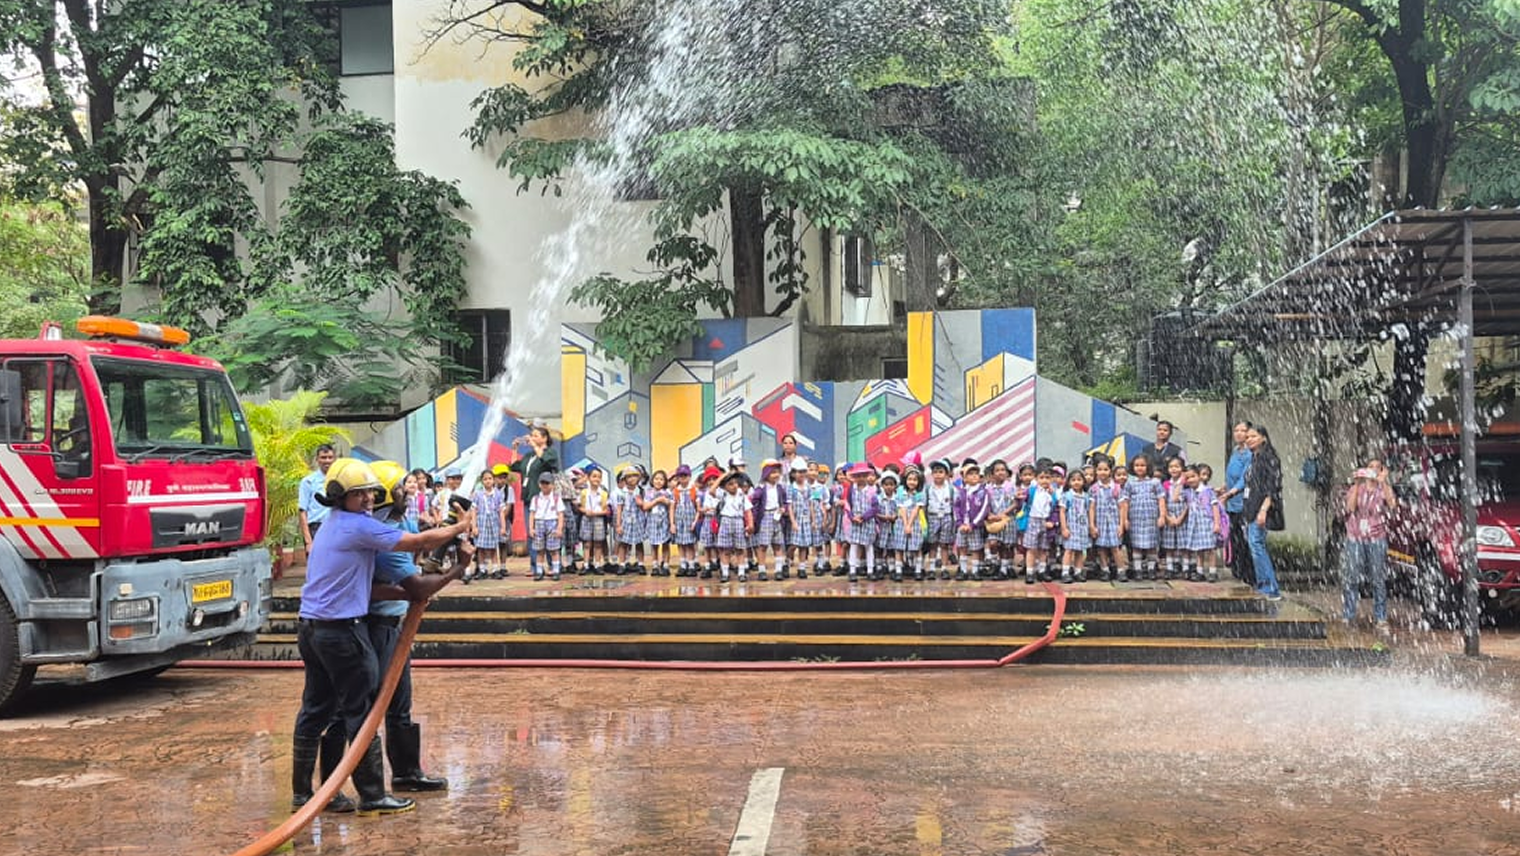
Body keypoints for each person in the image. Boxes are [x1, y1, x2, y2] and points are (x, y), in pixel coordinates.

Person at [290, 458, 470, 817]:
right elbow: (418, 540)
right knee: (360, 710)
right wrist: (460, 532)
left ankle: (304, 794)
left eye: (371, 492)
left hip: (312, 627)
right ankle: (372, 794)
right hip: (341, 632)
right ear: (341, 497)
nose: (368, 499)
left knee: (317, 708)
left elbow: (364, 587)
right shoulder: (359, 527)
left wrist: (408, 595)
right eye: (359, 494)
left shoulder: (332, 523)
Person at [1343, 461, 1393, 629]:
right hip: (1355, 537)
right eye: (1370, 466)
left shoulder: (1382, 490)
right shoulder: (1358, 488)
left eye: (1377, 467)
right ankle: (1349, 613)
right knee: (1352, 576)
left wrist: (1383, 482)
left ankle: (1380, 616)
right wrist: (1356, 484)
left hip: (1377, 537)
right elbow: (1350, 508)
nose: (1373, 470)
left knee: (1378, 577)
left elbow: (1392, 504)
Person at [1243, 423, 1284, 601]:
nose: (1249, 439)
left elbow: (1272, 488)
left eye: (1253, 436)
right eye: (1248, 437)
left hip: (1260, 509)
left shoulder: (1269, 458)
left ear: (1263, 438)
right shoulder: (1254, 458)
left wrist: (1263, 510)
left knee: (1257, 546)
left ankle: (1271, 587)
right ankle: (1263, 584)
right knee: (1255, 546)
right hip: (1251, 508)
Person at [510, 425, 559, 573]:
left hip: (544, 498)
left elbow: (546, 462)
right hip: (528, 497)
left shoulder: (550, 452)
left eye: (536, 435)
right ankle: (535, 566)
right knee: (532, 531)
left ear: (544, 438)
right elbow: (514, 466)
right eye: (531, 435)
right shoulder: (528, 456)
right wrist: (515, 449)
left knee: (548, 530)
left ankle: (552, 565)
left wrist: (536, 446)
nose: (532, 438)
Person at [1221, 421, 1256, 586]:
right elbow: (1233, 475)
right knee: (1234, 539)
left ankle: (1248, 575)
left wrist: (1232, 491)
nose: (1239, 434)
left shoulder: (1250, 454)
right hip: (1232, 503)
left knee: (1245, 540)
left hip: (1244, 502)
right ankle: (1237, 570)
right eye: (1236, 430)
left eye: (1243, 431)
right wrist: (1224, 488)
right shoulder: (1236, 451)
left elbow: (1245, 477)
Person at [1123, 455, 1164, 581]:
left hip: (1151, 518)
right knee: (1136, 545)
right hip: (1135, 518)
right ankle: (1138, 569)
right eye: (1137, 465)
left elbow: (1161, 499)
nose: (1139, 468)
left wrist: (1162, 516)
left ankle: (1151, 569)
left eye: (1142, 465)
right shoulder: (1130, 483)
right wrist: (1125, 519)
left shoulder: (1155, 482)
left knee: (1152, 545)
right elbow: (1125, 502)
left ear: (1148, 467)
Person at [1089, 457, 1128, 582]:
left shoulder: (1116, 488)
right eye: (1099, 469)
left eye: (1105, 469)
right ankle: (1104, 569)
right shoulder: (1094, 488)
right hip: (1100, 523)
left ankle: (1121, 570)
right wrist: (1092, 525)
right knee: (1101, 548)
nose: (1102, 472)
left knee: (1116, 547)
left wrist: (1121, 525)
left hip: (1113, 523)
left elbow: (1122, 507)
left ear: (1110, 471)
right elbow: (1092, 508)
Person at [298, 444, 339, 554]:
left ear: (334, 459)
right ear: (317, 459)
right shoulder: (308, 482)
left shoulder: (339, 480)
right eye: (323, 457)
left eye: (330, 457)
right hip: (316, 529)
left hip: (336, 527)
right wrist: (308, 542)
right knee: (316, 566)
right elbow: (302, 512)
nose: (327, 461)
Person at [528, 472, 565, 581]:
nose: (545, 485)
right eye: (542, 483)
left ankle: (556, 570)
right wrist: (531, 528)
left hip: (552, 523)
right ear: (539, 484)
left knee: (554, 550)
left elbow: (560, 514)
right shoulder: (535, 499)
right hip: (539, 523)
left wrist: (559, 528)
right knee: (540, 550)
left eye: (547, 483)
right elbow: (532, 513)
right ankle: (539, 571)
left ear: (552, 485)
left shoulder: (556, 498)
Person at [1059, 468, 1091, 584]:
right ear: (1069, 482)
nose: (1076, 482)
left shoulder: (1086, 496)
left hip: (1082, 527)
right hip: (1071, 527)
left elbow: (1088, 511)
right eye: (1073, 480)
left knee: (1080, 551)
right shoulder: (1067, 496)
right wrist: (1064, 528)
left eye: (1079, 479)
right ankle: (1065, 572)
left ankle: (1078, 572)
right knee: (1069, 550)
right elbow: (1062, 512)